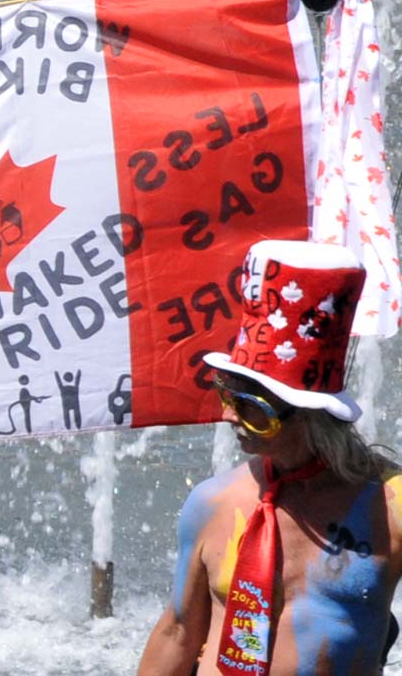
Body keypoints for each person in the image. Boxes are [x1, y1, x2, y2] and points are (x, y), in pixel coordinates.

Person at [138, 239, 402, 676]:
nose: (227, 415)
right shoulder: (212, 503)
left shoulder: (387, 507)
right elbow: (179, 631)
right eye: (227, 396)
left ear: (313, 416)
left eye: (251, 408)